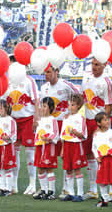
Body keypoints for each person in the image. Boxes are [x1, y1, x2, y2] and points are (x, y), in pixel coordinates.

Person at [41, 66, 80, 197]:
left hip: (63, 124)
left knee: (65, 156)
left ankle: (66, 187)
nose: (46, 75)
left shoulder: (66, 85)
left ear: (56, 72)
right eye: (45, 72)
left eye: (49, 72)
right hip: (50, 126)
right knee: (49, 156)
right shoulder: (43, 88)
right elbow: (42, 107)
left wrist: (73, 114)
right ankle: (46, 189)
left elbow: (79, 97)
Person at [5, 56, 39, 195]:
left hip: (28, 119)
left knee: (30, 153)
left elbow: (36, 99)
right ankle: (13, 184)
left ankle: (32, 183)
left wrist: (36, 118)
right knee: (14, 152)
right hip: (14, 120)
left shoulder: (28, 81)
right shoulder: (7, 81)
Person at [81, 58, 112, 200]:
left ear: (104, 66)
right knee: (89, 155)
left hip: (99, 122)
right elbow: (83, 98)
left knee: (105, 154)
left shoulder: (106, 82)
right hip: (87, 121)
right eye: (92, 64)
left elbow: (109, 105)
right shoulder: (86, 77)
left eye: (97, 65)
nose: (94, 67)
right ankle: (93, 189)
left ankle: (111, 189)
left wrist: (103, 125)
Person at [59, 93, 88, 202]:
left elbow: (83, 135)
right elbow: (63, 136)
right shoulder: (65, 118)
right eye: (69, 105)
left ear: (79, 106)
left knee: (77, 169)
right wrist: (62, 149)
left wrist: (75, 132)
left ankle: (80, 194)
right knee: (68, 170)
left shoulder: (80, 118)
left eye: (73, 105)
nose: (70, 107)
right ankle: (70, 193)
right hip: (67, 146)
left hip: (76, 145)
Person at [92, 112, 112, 208]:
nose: (107, 121)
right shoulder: (96, 135)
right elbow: (94, 147)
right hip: (102, 160)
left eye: (108, 119)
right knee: (102, 180)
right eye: (104, 120)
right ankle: (104, 199)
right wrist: (97, 156)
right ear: (98, 123)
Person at [33, 97, 59, 200]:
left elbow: (56, 133)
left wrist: (49, 138)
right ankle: (43, 190)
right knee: (40, 168)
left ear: (51, 108)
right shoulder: (40, 120)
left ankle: (51, 191)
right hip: (40, 146)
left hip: (48, 146)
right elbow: (37, 132)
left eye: (45, 106)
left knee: (49, 168)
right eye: (41, 106)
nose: (42, 108)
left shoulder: (52, 120)